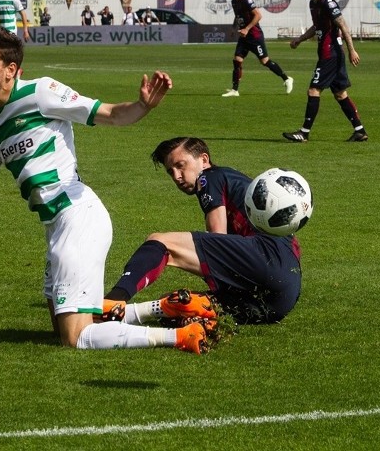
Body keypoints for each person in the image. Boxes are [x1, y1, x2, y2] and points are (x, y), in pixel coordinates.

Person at [0, 25, 212, 354]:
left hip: (79, 217)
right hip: (56, 228)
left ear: (10, 70)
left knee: (75, 338)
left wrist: (142, 106)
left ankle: (182, 336)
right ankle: (165, 308)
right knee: (65, 329)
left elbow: (110, 115)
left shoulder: (40, 92)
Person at [103, 137, 302, 327]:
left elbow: (219, 238)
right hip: (283, 297)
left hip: (267, 261)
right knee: (181, 302)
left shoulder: (209, 177)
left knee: (160, 242)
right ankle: (129, 316)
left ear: (204, 159)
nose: (176, 176)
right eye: (170, 171)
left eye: (181, 166)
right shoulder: (232, 177)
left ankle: (111, 301)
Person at [283, 0, 367, 143]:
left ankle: (304, 133)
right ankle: (360, 131)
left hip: (331, 54)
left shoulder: (328, 3)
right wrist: (300, 39)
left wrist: (352, 50)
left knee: (313, 90)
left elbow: (343, 25)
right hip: (328, 53)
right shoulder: (313, 4)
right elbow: (317, 27)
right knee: (340, 94)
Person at [222, 0, 292, 97]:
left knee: (265, 61)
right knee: (237, 60)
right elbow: (238, 16)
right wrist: (234, 28)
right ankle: (235, 90)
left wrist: (247, 28)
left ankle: (286, 79)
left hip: (255, 36)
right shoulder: (234, 2)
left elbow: (258, 15)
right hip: (244, 37)